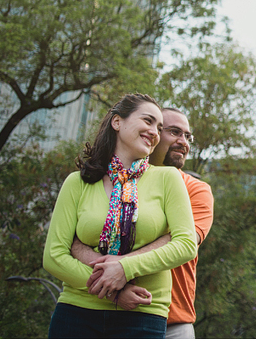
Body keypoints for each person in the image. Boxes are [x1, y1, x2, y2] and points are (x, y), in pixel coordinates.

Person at [44, 93, 197, 338]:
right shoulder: (78, 182)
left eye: (159, 127)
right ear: (117, 122)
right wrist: (114, 291)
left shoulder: (168, 178)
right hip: (76, 312)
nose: (154, 132)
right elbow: (54, 255)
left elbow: (186, 244)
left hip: (143, 315)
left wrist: (125, 268)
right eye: (147, 121)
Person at [72, 107, 214, 339]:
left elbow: (185, 240)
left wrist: (120, 266)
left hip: (172, 321)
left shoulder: (196, 190)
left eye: (188, 136)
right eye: (174, 132)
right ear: (152, 133)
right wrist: (112, 283)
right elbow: (73, 242)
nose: (184, 142)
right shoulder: (110, 181)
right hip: (100, 311)